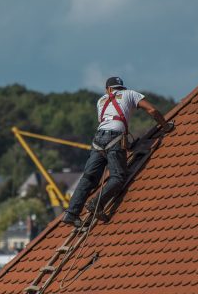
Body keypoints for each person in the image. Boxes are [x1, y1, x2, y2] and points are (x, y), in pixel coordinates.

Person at [62, 76, 174, 227]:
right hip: (115, 137)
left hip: (98, 139)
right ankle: (96, 203)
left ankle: (71, 213)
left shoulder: (101, 100)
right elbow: (152, 110)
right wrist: (165, 126)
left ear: (108, 89)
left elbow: (106, 121)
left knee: (88, 178)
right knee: (118, 176)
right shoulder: (130, 94)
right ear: (122, 87)